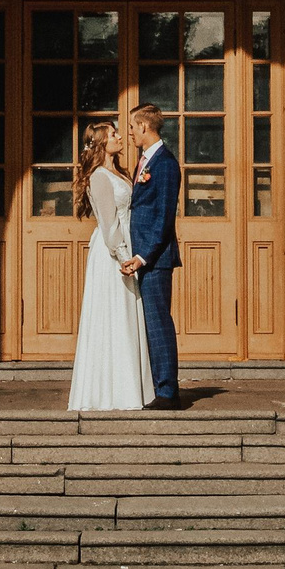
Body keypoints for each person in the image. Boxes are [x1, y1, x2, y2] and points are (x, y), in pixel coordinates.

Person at [65, 120, 151, 412]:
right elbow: (107, 222)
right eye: (114, 134)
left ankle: (128, 389)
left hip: (127, 246)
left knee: (126, 316)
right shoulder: (100, 177)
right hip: (112, 252)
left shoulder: (122, 173)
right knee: (112, 316)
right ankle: (108, 392)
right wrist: (123, 254)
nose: (119, 137)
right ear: (102, 143)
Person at [120, 103, 182, 410]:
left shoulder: (166, 164)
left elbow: (164, 218)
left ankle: (168, 392)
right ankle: (153, 386)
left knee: (158, 324)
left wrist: (144, 256)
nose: (129, 132)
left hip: (155, 258)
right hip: (139, 255)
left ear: (145, 126)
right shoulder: (144, 161)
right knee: (147, 324)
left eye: (132, 126)